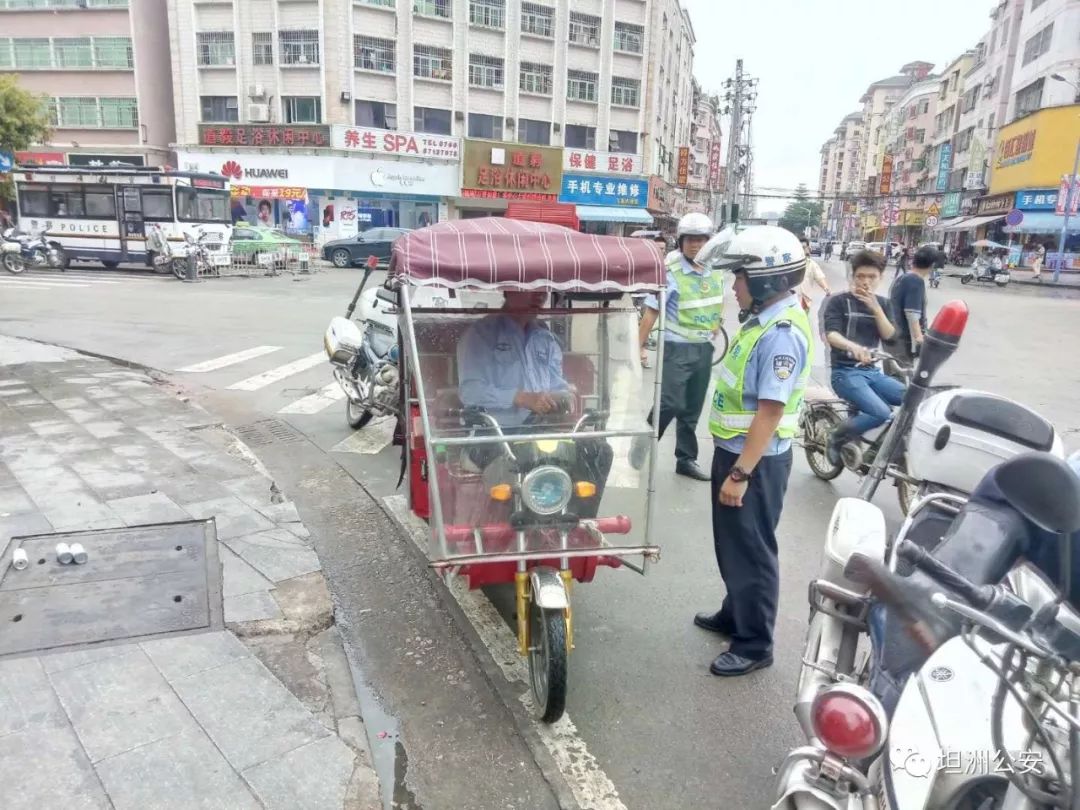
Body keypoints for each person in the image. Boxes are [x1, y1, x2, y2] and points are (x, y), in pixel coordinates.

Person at [692, 225, 813, 676]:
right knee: (734, 545)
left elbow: (769, 411)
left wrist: (740, 474)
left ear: (764, 281)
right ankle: (735, 611)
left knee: (753, 550)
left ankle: (755, 642)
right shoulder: (761, 322)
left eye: (739, 278)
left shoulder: (780, 333)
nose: (733, 286)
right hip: (738, 453)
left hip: (754, 461)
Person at [457, 290, 613, 518]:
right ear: (509, 289)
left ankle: (580, 525)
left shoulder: (545, 339)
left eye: (544, 288)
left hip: (541, 430)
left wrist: (562, 398)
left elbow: (559, 386)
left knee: (599, 451)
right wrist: (520, 398)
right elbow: (470, 391)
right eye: (530, 286)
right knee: (527, 461)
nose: (540, 294)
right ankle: (511, 526)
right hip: (495, 434)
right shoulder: (481, 334)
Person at [633, 213, 723, 481]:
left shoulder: (715, 271)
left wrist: (717, 321)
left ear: (709, 242)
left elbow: (716, 302)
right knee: (669, 403)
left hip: (704, 349)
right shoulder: (670, 273)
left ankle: (686, 459)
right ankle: (639, 452)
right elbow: (650, 313)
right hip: (676, 350)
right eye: (691, 240)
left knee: (692, 408)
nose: (696, 245)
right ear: (681, 242)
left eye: (701, 240)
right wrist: (637, 348)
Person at [823, 250, 903, 465]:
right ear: (852, 276)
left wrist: (876, 309)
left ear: (881, 278)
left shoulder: (884, 305)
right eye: (860, 276)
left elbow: (890, 337)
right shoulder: (838, 302)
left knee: (913, 401)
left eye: (872, 277)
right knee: (881, 412)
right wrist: (852, 346)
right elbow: (832, 334)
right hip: (845, 372)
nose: (866, 282)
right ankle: (837, 436)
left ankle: (877, 451)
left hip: (872, 373)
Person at [888, 246, 932, 374]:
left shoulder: (903, 277)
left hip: (894, 335)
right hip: (903, 338)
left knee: (894, 376)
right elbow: (912, 313)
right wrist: (919, 338)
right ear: (931, 265)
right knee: (902, 380)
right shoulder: (915, 280)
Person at [797, 236, 831, 312]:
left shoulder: (811, 264)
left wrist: (826, 289)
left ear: (808, 248)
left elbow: (819, 277)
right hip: (791, 302)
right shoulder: (790, 264)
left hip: (805, 300)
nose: (801, 250)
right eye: (799, 247)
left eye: (804, 247)